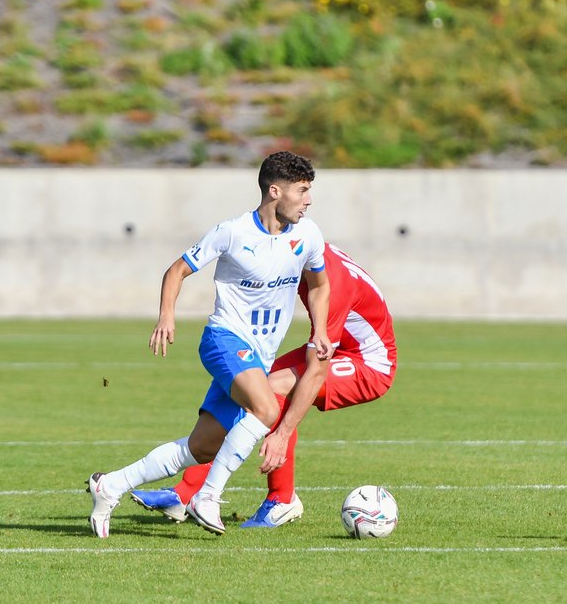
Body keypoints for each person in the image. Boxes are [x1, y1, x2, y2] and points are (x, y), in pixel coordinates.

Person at [86, 151, 333, 537]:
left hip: (258, 356)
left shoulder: (309, 235)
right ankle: (208, 497)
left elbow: (319, 285)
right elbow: (177, 270)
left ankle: (111, 485)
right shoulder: (233, 232)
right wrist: (167, 315)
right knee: (267, 407)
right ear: (274, 191)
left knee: (201, 448)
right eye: (301, 191)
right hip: (223, 340)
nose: (308, 200)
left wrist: (319, 328)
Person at [130, 242, 397, 528]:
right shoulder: (304, 253)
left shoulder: (330, 284)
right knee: (253, 382)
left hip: (369, 364)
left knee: (271, 388)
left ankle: (278, 500)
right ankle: (188, 493)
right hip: (341, 346)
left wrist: (282, 433)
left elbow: (317, 371)